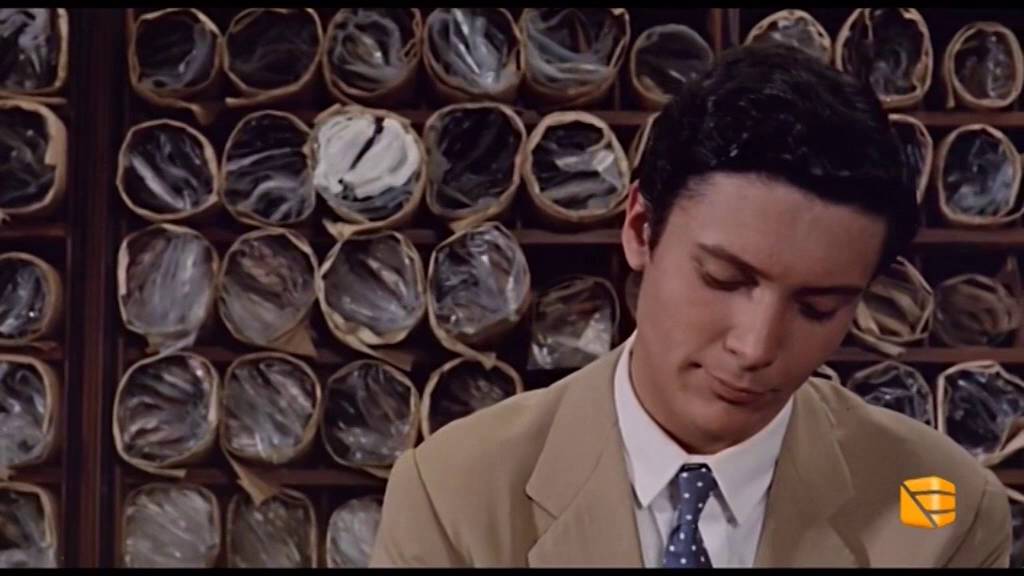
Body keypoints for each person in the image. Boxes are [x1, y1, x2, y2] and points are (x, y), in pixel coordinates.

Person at [369, 42, 1011, 567]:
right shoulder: (452, 495)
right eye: (723, 279)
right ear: (640, 229)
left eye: (817, 308)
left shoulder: (943, 510)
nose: (755, 347)